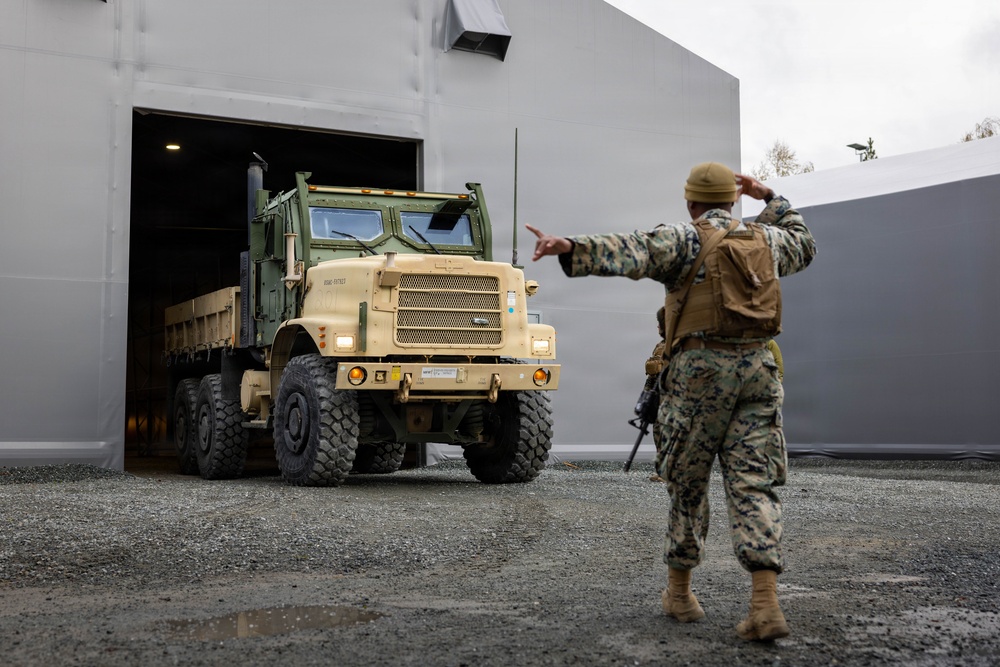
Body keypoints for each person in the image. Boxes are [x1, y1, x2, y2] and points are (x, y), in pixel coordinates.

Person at [526, 162, 815, 642]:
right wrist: (770, 196)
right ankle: (765, 603)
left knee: (687, 481)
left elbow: (632, 249)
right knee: (754, 484)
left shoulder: (683, 240)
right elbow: (803, 238)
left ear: (691, 202)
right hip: (760, 372)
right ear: (732, 199)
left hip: (699, 374)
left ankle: (680, 596)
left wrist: (570, 247)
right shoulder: (768, 241)